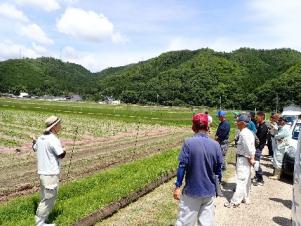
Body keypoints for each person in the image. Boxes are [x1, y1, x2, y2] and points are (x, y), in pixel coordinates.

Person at [173, 113, 223, 226]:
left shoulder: (188, 143)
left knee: (184, 222)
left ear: (193, 127)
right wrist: (216, 185)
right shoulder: (215, 145)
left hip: (192, 191)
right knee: (206, 223)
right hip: (209, 192)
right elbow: (219, 170)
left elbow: (182, 166)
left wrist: (177, 186)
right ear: (207, 127)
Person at [33, 116, 66, 226]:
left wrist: (33, 140)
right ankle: (40, 222)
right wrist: (64, 149)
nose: (60, 126)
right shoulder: (53, 139)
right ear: (54, 126)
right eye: (59, 124)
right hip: (51, 173)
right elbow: (61, 155)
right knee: (49, 198)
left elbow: (35, 147)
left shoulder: (40, 137)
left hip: (42, 172)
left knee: (44, 196)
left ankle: (43, 219)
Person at [224, 114, 256, 208]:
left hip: (243, 159)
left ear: (242, 123)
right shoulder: (249, 132)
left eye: (237, 122)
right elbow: (252, 148)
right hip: (247, 158)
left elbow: (249, 148)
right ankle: (246, 198)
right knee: (246, 179)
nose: (236, 123)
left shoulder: (243, 133)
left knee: (241, 180)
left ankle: (235, 201)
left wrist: (250, 158)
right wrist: (252, 158)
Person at [253, 111, 268, 186]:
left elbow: (259, 139)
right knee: (255, 163)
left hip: (258, 147)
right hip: (257, 147)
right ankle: (257, 176)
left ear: (261, 117)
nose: (256, 118)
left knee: (256, 163)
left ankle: (260, 179)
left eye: (257, 117)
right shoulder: (260, 125)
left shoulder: (263, 127)